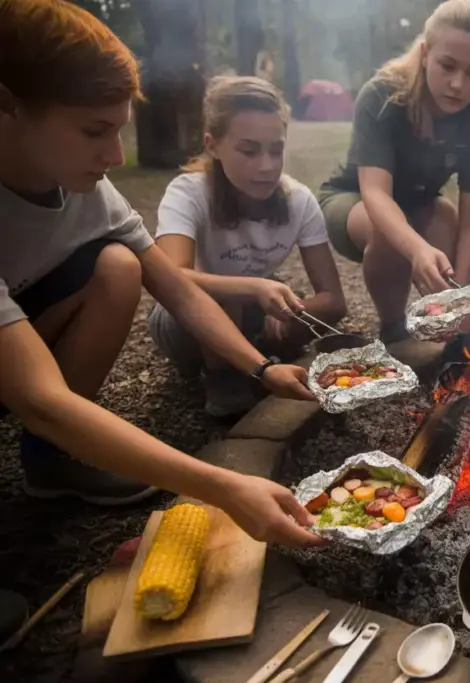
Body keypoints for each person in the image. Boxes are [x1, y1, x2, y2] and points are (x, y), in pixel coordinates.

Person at [0, 0, 322, 540]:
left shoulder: (87, 189)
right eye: (94, 131)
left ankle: (51, 459)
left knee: (120, 265)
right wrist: (222, 486)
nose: (116, 155)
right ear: (8, 107)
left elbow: (178, 289)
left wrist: (261, 370)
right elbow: (38, 396)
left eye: (118, 131)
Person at [149, 77, 346, 417]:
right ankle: (223, 382)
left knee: (288, 309)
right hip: (183, 323)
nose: (267, 166)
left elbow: (333, 301)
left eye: (276, 150)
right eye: (249, 150)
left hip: (254, 316)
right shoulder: (188, 193)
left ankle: (254, 359)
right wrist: (253, 287)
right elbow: (170, 277)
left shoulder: (298, 200)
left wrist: (293, 312)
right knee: (224, 289)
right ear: (213, 145)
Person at [317, 0, 470, 344]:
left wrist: (459, 302)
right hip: (354, 201)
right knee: (389, 232)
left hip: (418, 204)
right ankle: (393, 329)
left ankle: (445, 324)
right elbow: (374, 193)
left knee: (446, 217)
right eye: (447, 66)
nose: (458, 84)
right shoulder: (383, 96)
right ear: (425, 52)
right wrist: (417, 249)